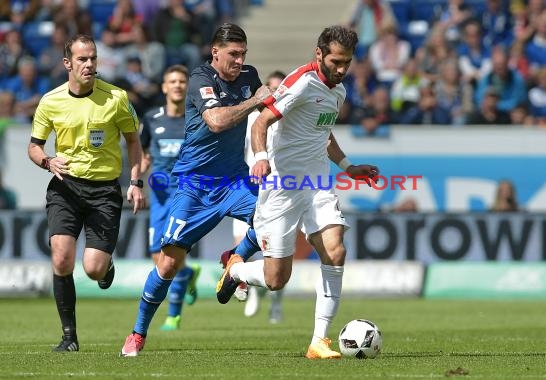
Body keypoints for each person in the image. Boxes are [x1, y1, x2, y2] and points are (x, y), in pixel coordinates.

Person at [216, 25, 378, 359]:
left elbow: (323, 133)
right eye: (336, 61)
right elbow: (261, 122)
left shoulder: (338, 90)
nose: (342, 69)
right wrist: (261, 158)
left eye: (347, 62)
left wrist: (348, 167)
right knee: (277, 279)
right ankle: (235, 269)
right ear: (319, 54)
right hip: (281, 188)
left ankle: (320, 340)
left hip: (316, 185)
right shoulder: (301, 82)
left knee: (335, 251)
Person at [120, 23, 271, 357]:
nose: (239, 60)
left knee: (271, 219)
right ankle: (137, 333)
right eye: (233, 53)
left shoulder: (249, 75)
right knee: (168, 265)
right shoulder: (200, 80)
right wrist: (255, 101)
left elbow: (267, 109)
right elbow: (217, 121)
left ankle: (236, 258)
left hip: (234, 179)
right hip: (195, 186)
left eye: (243, 53)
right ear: (215, 52)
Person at [27, 34, 145, 352]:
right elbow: (34, 147)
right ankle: (69, 338)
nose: (90, 64)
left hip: (105, 190)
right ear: (68, 63)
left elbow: (134, 141)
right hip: (65, 187)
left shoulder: (116, 98)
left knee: (93, 268)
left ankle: (106, 268)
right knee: (62, 258)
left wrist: (135, 182)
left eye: (93, 58)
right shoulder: (51, 101)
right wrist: (48, 161)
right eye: (82, 59)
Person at [139, 64, 201, 331]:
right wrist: (138, 178)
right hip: (160, 196)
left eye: (181, 81)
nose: (177, 85)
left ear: (187, 87)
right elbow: (142, 152)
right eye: (171, 81)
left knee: (171, 255)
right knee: (157, 255)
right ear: (164, 87)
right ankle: (188, 275)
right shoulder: (152, 119)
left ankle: (173, 316)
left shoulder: (196, 119)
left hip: (186, 195)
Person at [232, 70, 286, 322]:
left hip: (280, 191)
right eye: (271, 87)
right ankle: (248, 286)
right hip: (250, 189)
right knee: (242, 242)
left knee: (274, 254)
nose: (275, 93)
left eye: (279, 88)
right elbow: (239, 152)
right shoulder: (252, 118)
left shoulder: (290, 116)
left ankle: (275, 302)